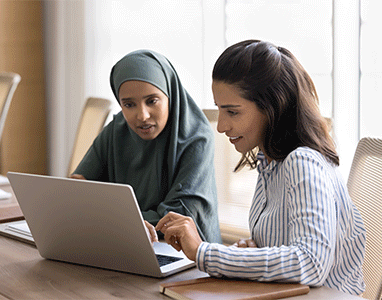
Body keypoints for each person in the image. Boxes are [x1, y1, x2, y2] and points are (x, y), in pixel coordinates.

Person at [156, 40, 366, 295]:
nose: (221, 126)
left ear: (272, 107)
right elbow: (293, 248)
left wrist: (204, 251)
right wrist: (254, 252)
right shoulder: (271, 164)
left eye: (232, 112)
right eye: (220, 109)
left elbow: (311, 263)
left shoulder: (302, 162)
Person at [71, 49, 221, 243]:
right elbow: (78, 186)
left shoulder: (198, 139)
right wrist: (125, 223)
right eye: (129, 104)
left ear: (170, 94)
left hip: (185, 253)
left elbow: (178, 218)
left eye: (152, 101)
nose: (142, 116)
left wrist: (119, 220)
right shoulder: (116, 130)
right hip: (123, 242)